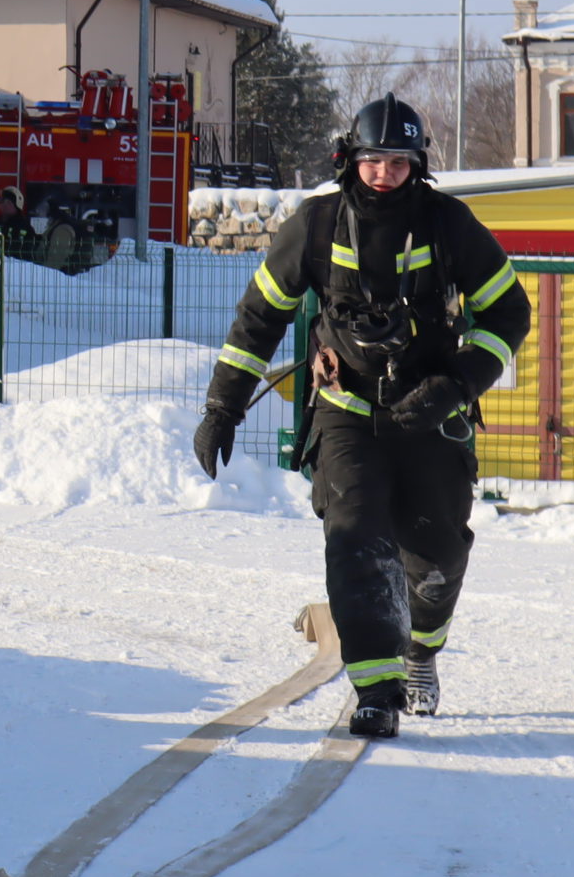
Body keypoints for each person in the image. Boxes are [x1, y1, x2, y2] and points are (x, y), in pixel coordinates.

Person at [192, 94, 532, 739]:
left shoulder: (450, 224)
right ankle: (376, 691)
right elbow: (259, 319)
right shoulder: (315, 225)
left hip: (430, 416)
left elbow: (509, 314)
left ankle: (421, 655)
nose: (384, 173)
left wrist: (457, 384)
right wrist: (222, 405)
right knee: (355, 540)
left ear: (416, 165)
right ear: (350, 158)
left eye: (398, 162)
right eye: (374, 160)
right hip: (346, 414)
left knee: (433, 556)